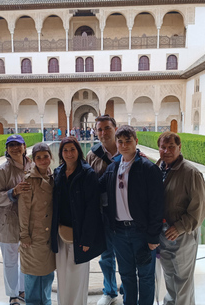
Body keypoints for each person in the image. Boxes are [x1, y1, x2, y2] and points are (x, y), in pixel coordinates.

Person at [99, 125, 165, 305]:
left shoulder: (147, 169)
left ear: (136, 141)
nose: (124, 145)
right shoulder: (113, 168)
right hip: (119, 233)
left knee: (145, 276)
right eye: (120, 141)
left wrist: (153, 236)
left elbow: (157, 205)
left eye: (128, 141)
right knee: (126, 275)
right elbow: (96, 187)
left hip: (141, 233)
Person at [51, 136, 106, 305]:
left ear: (78, 151)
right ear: (61, 153)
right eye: (65, 150)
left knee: (77, 274)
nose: (69, 153)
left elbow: (92, 209)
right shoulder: (58, 172)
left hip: (80, 234)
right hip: (61, 232)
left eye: (72, 149)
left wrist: (87, 238)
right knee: (62, 274)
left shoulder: (87, 173)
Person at [156, 132, 205, 305]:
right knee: (170, 278)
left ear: (179, 148)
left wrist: (180, 227)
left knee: (183, 281)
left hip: (182, 236)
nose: (167, 151)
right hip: (164, 235)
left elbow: (200, 208)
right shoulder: (159, 168)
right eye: (163, 147)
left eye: (171, 147)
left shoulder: (190, 173)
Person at [0, 134, 32, 305]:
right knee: (10, 260)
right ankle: (12, 294)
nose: (15, 148)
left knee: (26, 258)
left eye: (18, 144)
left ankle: (22, 290)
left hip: (28, 221)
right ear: (7, 149)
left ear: (24, 147)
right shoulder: (1, 171)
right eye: (11, 145)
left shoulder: (32, 166)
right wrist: (12, 192)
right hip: (7, 221)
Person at [85, 114, 121, 305]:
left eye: (107, 128)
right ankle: (110, 291)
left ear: (115, 129)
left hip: (125, 214)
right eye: (99, 129)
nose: (103, 133)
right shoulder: (92, 155)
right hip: (103, 212)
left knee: (126, 254)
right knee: (106, 254)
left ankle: (128, 287)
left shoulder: (127, 150)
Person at [18, 143, 56, 305]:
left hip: (48, 236)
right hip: (33, 236)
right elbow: (23, 210)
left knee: (47, 275)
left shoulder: (54, 177)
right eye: (38, 158)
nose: (42, 160)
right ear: (33, 160)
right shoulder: (29, 181)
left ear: (51, 157)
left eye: (45, 156)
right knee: (33, 277)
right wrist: (24, 235)